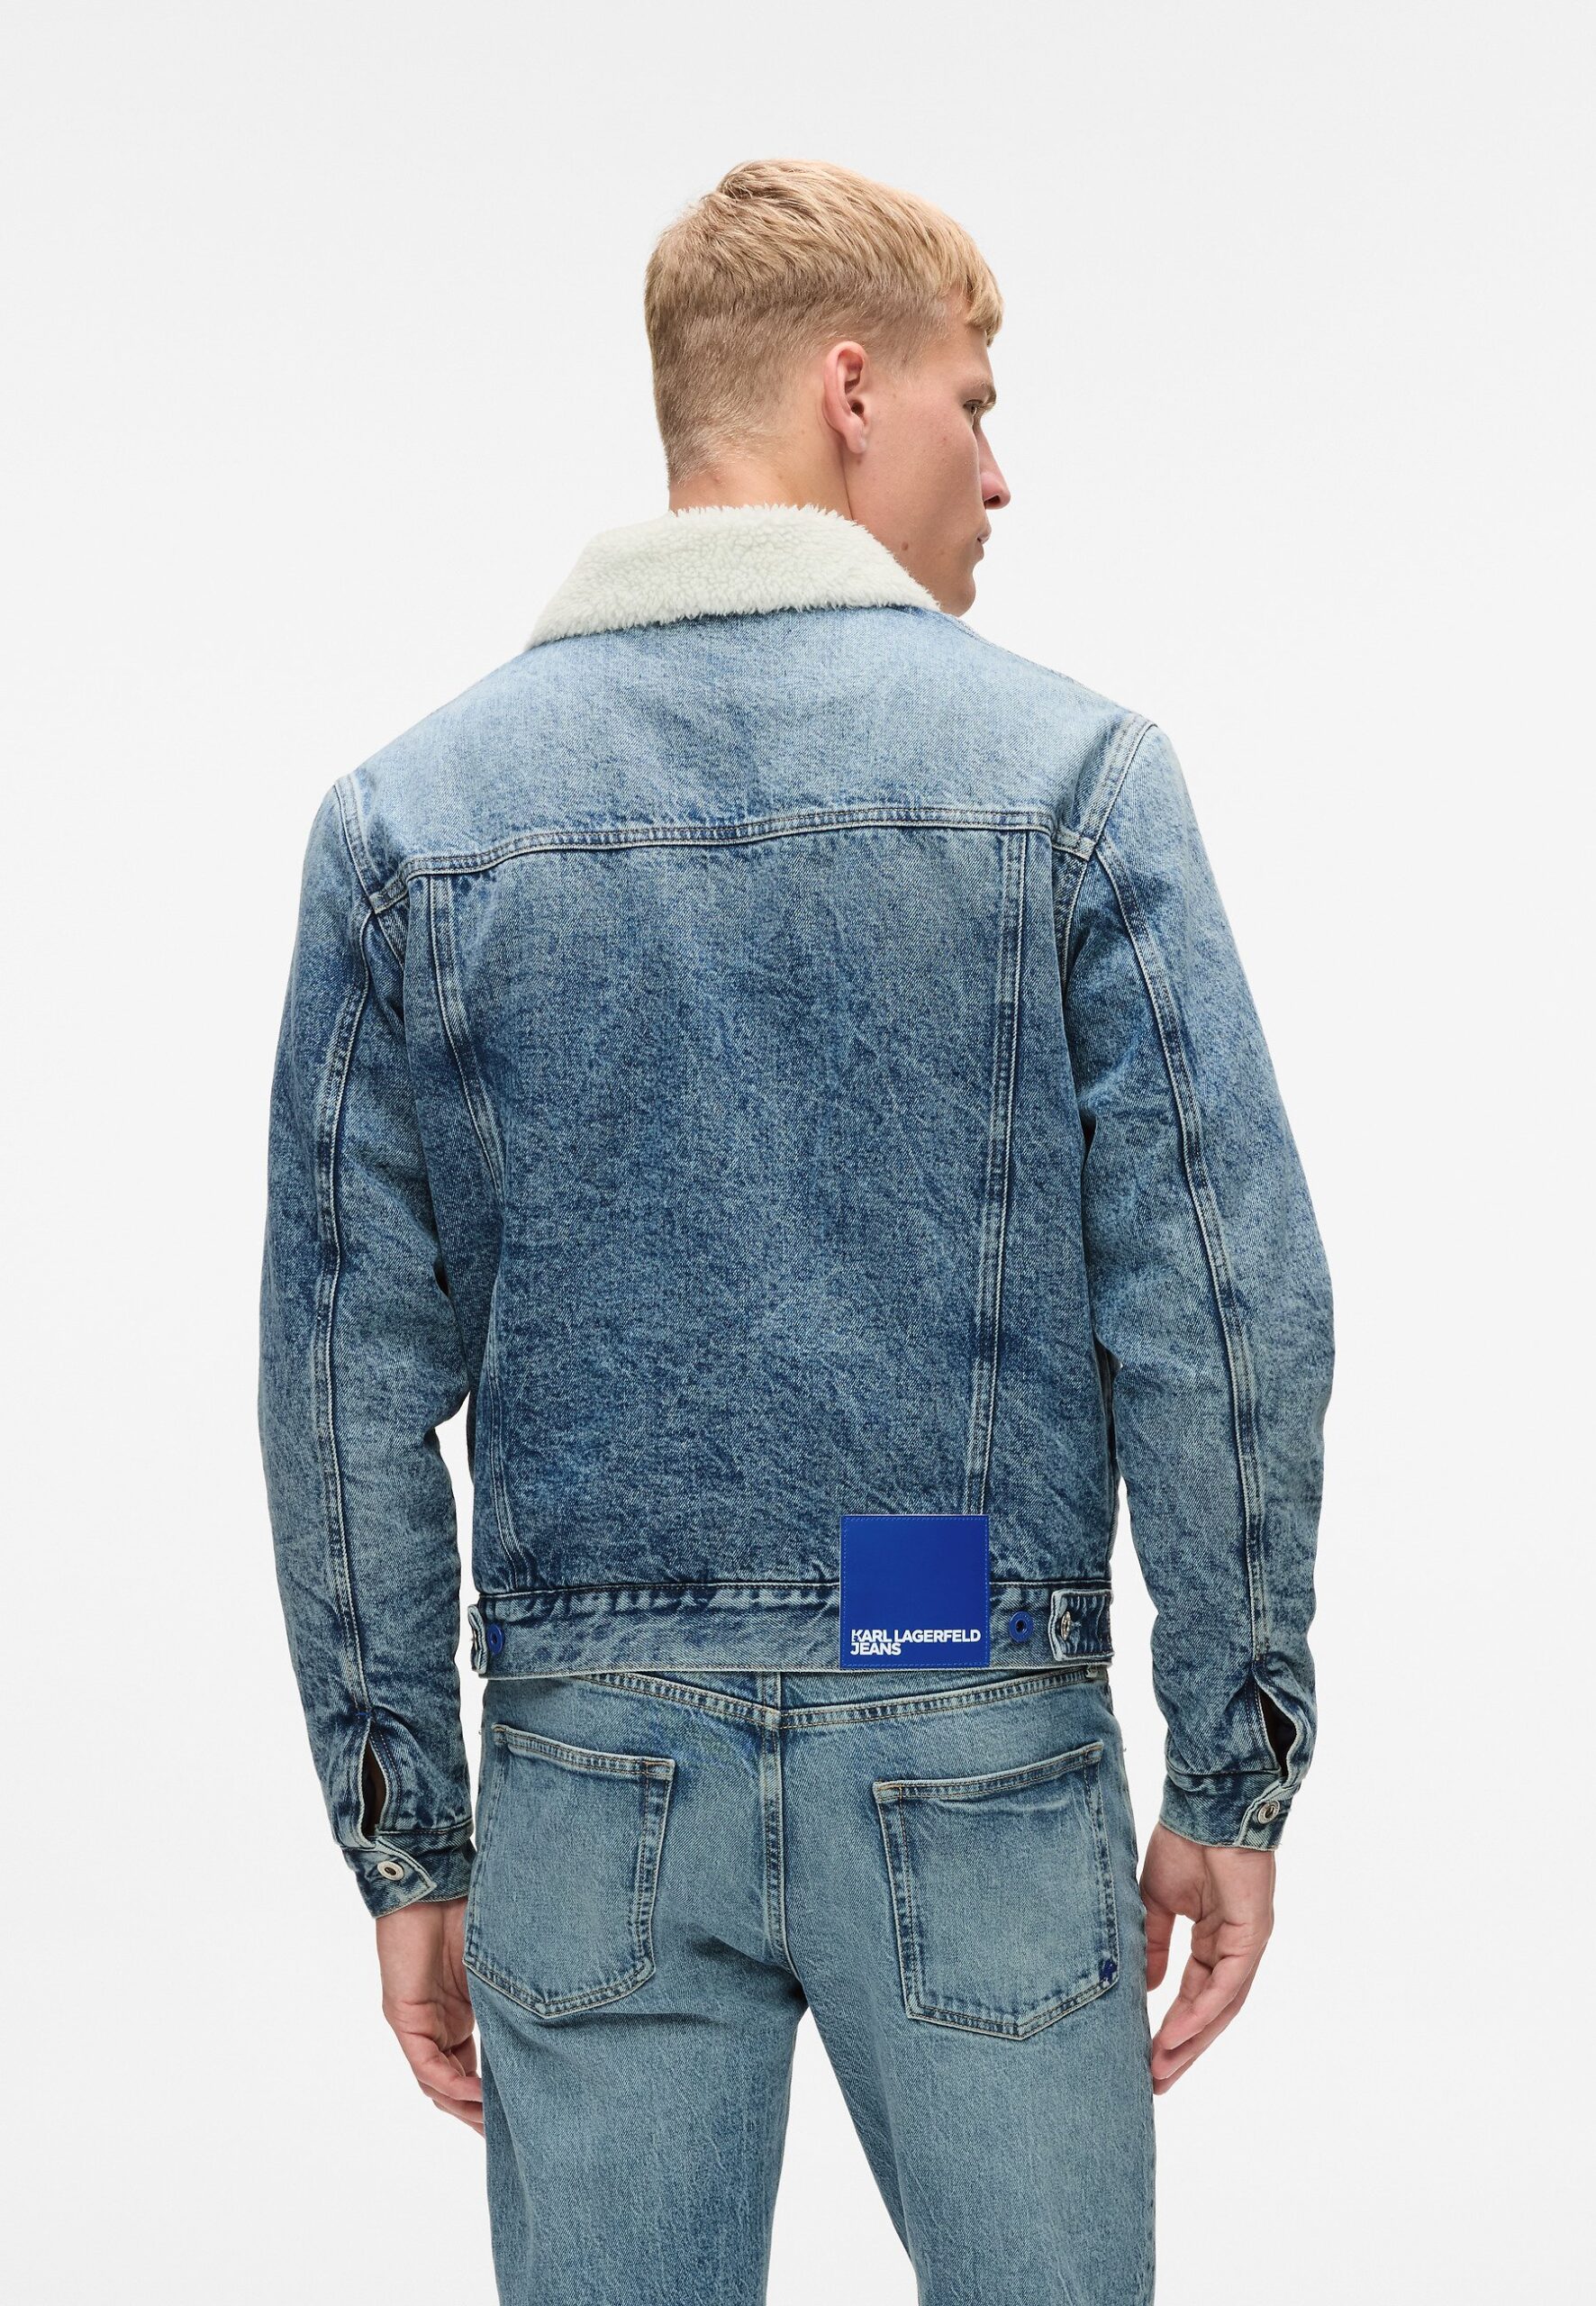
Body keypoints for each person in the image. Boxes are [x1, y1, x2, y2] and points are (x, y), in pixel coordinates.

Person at [259, 157, 1334, 2305]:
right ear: (850, 390)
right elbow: (1231, 1313)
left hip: (589, 1755)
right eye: (972, 402)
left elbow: (341, 1378)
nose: (997, 472)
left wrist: (408, 1828)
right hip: (969, 1705)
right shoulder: (1071, 784)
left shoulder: (411, 826)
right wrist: (1233, 1762)